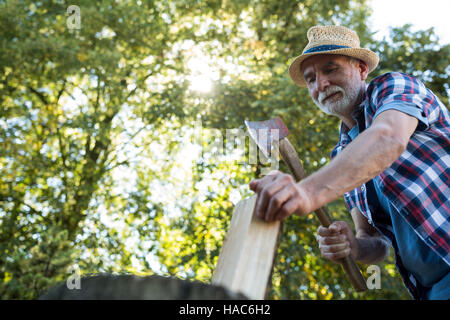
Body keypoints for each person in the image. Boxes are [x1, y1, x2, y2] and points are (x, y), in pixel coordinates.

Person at [249, 25, 449, 300]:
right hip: (430, 290)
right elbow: (378, 243)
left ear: (362, 69)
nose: (320, 85)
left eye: (331, 69)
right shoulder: (342, 156)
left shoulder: (393, 87)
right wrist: (354, 246)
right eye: (310, 79)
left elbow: (388, 138)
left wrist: (307, 192)